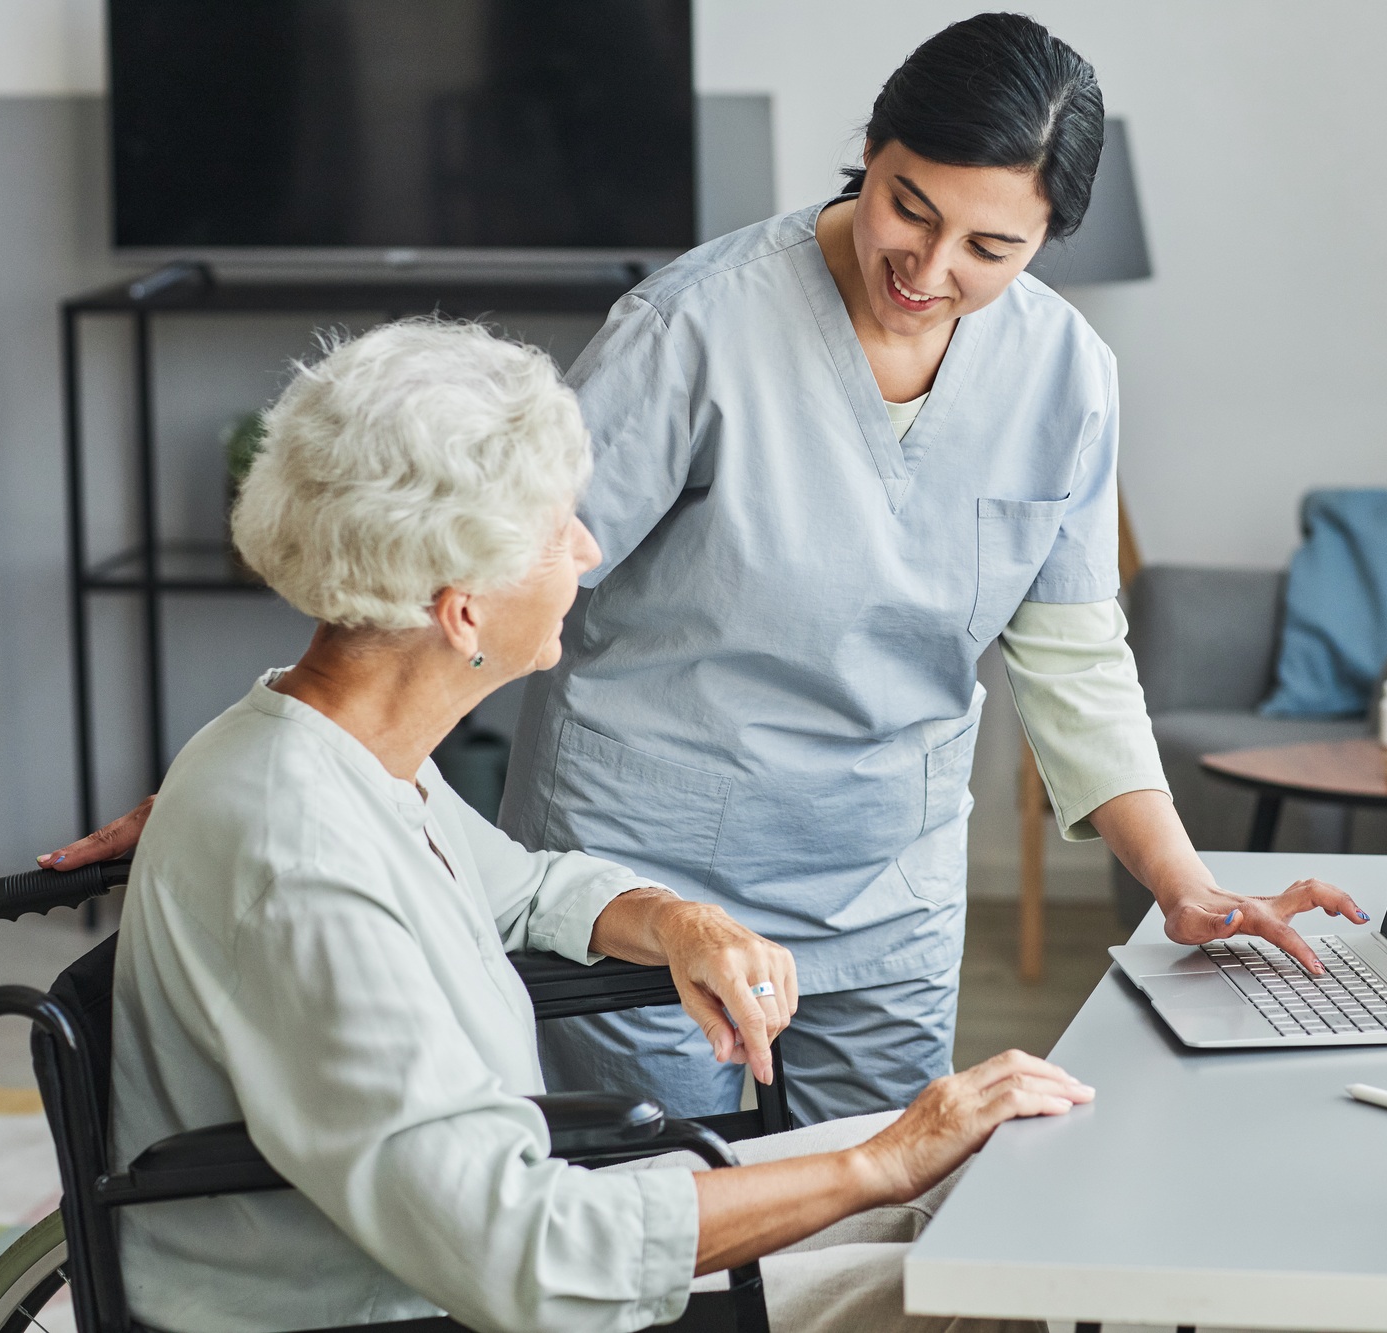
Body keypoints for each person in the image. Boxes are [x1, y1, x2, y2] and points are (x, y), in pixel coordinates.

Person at [48, 13, 1368, 1126]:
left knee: (871, 1234)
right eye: (910, 205)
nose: (930, 266)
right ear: (870, 150)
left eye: (991, 248)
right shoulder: (694, 329)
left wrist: (1187, 884)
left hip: (887, 888)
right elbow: (479, 577)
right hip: (643, 880)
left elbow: (1073, 656)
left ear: (1044, 243)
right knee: (661, 1235)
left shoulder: (1068, 375)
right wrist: (288, 768)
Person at [109, 320, 1085, 1333]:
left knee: (973, 1181)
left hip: (482, 1237)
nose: (586, 547)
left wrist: (670, 919)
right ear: (464, 611)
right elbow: (523, 1253)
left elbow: (521, 886)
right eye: (558, 524)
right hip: (411, 1302)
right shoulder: (304, 858)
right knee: (992, 1282)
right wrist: (874, 1164)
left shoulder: (341, 755)